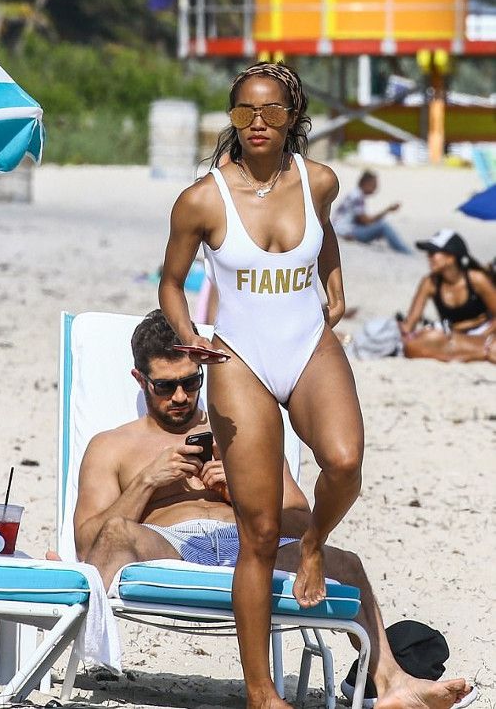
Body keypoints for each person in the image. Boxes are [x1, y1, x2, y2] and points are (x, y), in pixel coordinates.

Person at [157, 62, 460, 708]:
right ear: (232, 117)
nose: (257, 123)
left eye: (270, 111)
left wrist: (336, 283)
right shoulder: (202, 199)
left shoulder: (319, 180)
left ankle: (316, 542)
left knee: (345, 463)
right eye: (244, 111)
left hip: (307, 343)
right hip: (238, 357)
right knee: (261, 531)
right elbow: (171, 282)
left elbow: (324, 238)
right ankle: (262, 693)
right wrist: (188, 334)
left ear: (293, 117)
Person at [73, 311, 472, 709]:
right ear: (139, 379)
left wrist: (242, 493)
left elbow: (301, 520)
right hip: (169, 544)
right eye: (165, 386)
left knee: (348, 564)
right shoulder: (111, 447)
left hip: (250, 544)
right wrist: (147, 481)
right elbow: (90, 544)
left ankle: (392, 682)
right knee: (116, 533)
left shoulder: (242, 431)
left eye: (191, 382)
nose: (180, 396)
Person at [400, 229, 496, 363]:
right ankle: (478, 353)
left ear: (451, 257)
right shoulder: (429, 283)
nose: (428, 257)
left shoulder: (476, 279)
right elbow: (410, 323)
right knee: (412, 346)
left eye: (433, 253)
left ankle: (469, 353)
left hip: (484, 333)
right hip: (453, 336)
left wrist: (482, 336)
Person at [332, 170, 412, 254]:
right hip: (345, 231)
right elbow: (366, 221)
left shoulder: (356, 193)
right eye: (374, 185)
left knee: (380, 225)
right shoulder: (357, 196)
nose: (376, 188)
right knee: (384, 226)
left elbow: (360, 220)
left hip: (343, 228)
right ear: (366, 183)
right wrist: (387, 210)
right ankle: (405, 251)